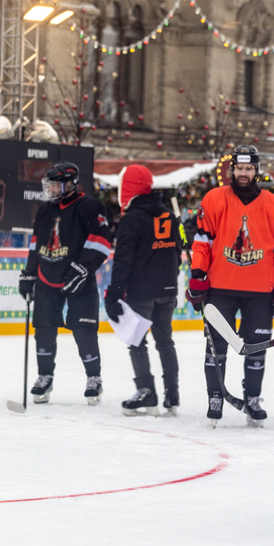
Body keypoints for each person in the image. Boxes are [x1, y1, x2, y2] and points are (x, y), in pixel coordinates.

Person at [186, 144, 274, 426]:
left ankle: (253, 398)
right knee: (216, 345)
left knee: (257, 346)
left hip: (261, 291)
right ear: (232, 169)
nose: (243, 173)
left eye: (248, 168)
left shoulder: (273, 204)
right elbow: (202, 244)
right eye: (239, 168)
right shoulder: (214, 199)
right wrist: (197, 276)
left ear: (256, 170)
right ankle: (215, 396)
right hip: (221, 288)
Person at [18, 162, 111, 405]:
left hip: (78, 280)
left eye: (55, 185)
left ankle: (94, 378)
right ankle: (44, 377)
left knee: (84, 330)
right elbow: (36, 242)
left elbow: (101, 240)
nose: (50, 190)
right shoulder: (45, 209)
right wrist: (29, 273)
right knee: (44, 329)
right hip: (47, 278)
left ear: (70, 184)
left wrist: (82, 267)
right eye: (48, 185)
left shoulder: (90, 206)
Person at [103, 164, 184, 416]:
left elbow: (123, 260)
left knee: (137, 342)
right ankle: (172, 392)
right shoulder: (170, 216)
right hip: (168, 289)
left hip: (142, 291)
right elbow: (177, 253)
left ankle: (147, 392)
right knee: (165, 340)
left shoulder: (131, 220)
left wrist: (114, 293)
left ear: (128, 189)